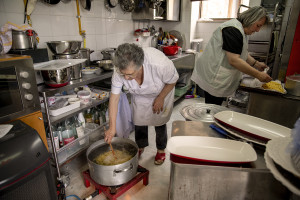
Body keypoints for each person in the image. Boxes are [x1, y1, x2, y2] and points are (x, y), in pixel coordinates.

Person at [104, 43, 179, 165]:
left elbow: (173, 80)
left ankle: (161, 149)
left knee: (159, 121)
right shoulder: (119, 70)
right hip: (139, 96)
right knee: (139, 121)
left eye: (130, 74)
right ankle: (140, 146)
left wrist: (161, 98)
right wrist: (112, 128)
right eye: (124, 74)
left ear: (140, 65)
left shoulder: (159, 63)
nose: (126, 79)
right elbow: (114, 98)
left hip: (160, 92)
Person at [191, 6, 272, 105]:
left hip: (219, 75)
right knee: (212, 107)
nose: (258, 30)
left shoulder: (242, 30)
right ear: (251, 19)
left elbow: (242, 53)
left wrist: (256, 63)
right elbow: (234, 60)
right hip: (214, 74)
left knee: (215, 106)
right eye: (258, 25)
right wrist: (258, 75)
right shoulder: (233, 30)